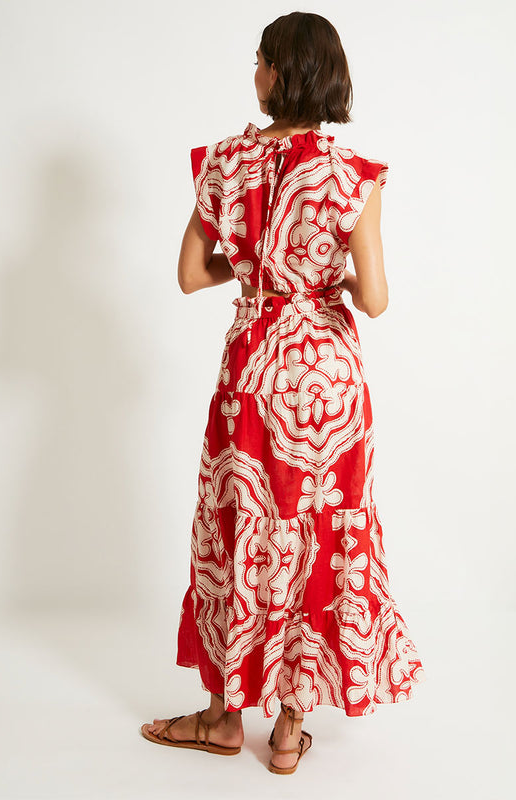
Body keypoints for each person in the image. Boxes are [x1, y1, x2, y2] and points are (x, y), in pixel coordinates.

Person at [141, 11, 426, 775]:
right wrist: (311, 278)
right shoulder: (352, 176)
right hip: (326, 379)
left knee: (242, 526)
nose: (253, 72)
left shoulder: (227, 163)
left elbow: (192, 275)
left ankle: (222, 715)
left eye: (259, 61)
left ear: (277, 72)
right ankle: (292, 728)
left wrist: (263, 271)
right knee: (319, 534)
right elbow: (374, 300)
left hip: (253, 368)